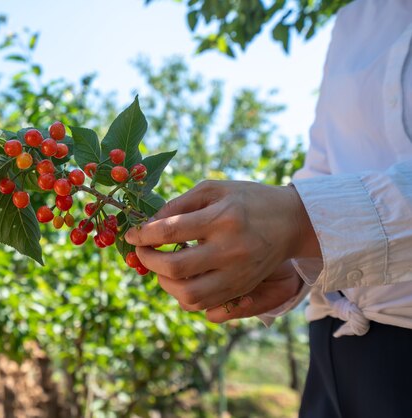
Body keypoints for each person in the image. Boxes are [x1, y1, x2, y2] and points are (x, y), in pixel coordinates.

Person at [125, 1, 412, 417]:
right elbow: (324, 168)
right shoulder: (356, 18)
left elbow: (308, 209)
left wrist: (301, 220)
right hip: (333, 347)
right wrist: (293, 260)